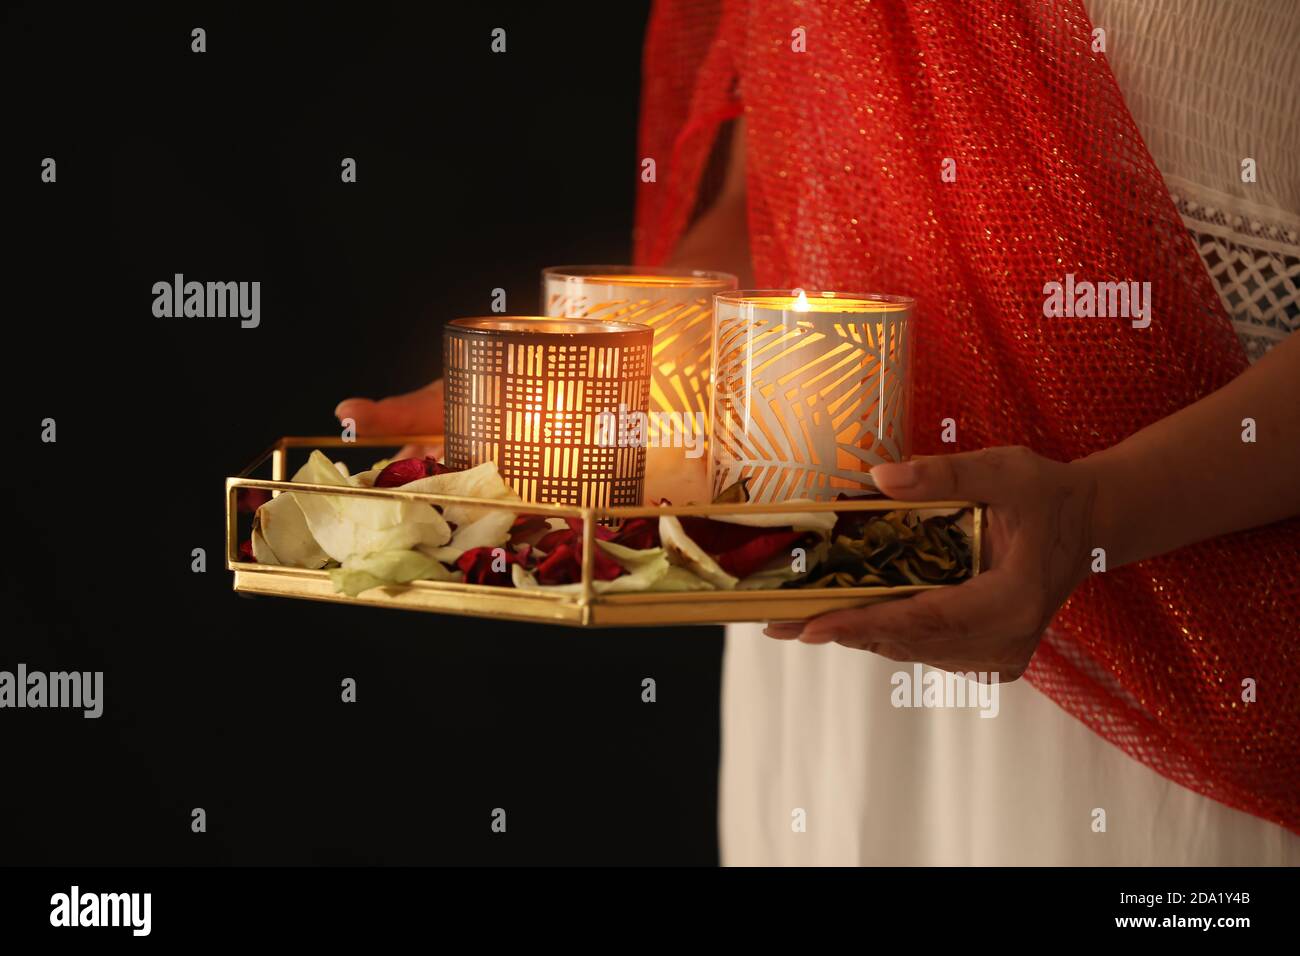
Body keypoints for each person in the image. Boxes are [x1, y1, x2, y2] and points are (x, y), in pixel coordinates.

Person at [337, 0, 1300, 863]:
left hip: (1185, 623)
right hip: (833, 605)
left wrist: (1098, 510)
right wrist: (579, 385)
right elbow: (781, 204)